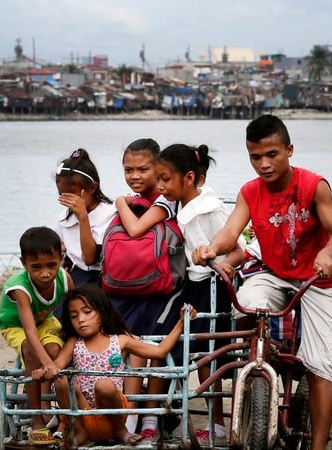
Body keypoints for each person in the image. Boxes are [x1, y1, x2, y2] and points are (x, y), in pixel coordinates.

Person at [192, 114, 332, 449]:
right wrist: (212, 247)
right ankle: (262, 360)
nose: (263, 164)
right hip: (275, 273)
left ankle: (319, 447)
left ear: (289, 150)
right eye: (255, 157)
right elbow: (230, 231)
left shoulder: (313, 185)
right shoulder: (250, 191)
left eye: (272, 154)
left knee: (319, 364)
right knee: (247, 304)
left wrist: (327, 254)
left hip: (318, 280)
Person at [32, 284, 196, 446]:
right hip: (83, 413)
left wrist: (181, 323)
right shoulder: (75, 342)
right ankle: (79, 432)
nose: (81, 320)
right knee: (61, 380)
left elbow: (160, 351)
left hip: (112, 416)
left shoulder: (120, 340)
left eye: (87, 312)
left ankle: (122, 432)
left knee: (104, 385)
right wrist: (43, 371)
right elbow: (57, 365)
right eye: (74, 316)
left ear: (103, 312)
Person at [157, 143, 245, 445]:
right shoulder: (183, 205)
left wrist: (228, 266)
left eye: (166, 179)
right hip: (195, 284)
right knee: (187, 345)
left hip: (215, 285)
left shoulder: (208, 209)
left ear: (190, 177)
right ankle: (178, 409)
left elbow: (239, 251)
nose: (161, 186)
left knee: (209, 351)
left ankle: (217, 421)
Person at [109, 138, 182, 441]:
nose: (135, 176)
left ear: (158, 167)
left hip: (163, 290)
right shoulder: (140, 200)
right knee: (128, 345)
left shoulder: (165, 199)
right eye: (128, 169)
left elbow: (135, 230)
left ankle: (147, 415)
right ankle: (131, 414)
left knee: (152, 348)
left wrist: (119, 203)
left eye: (143, 169)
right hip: (133, 289)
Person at [0, 226, 74, 445]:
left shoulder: (64, 278)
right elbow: (29, 331)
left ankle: (65, 416)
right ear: (24, 264)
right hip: (16, 325)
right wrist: (48, 365)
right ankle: (37, 418)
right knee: (31, 349)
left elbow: (74, 308)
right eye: (36, 267)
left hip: (44, 320)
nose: (45, 273)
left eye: (51, 265)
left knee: (54, 350)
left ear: (61, 258)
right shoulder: (20, 287)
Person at [54, 148, 117, 286]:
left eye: (72, 195)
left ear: (93, 188)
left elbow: (90, 259)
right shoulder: (65, 218)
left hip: (100, 277)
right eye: (62, 194)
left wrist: (83, 217)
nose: (68, 201)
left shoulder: (110, 215)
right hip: (75, 274)